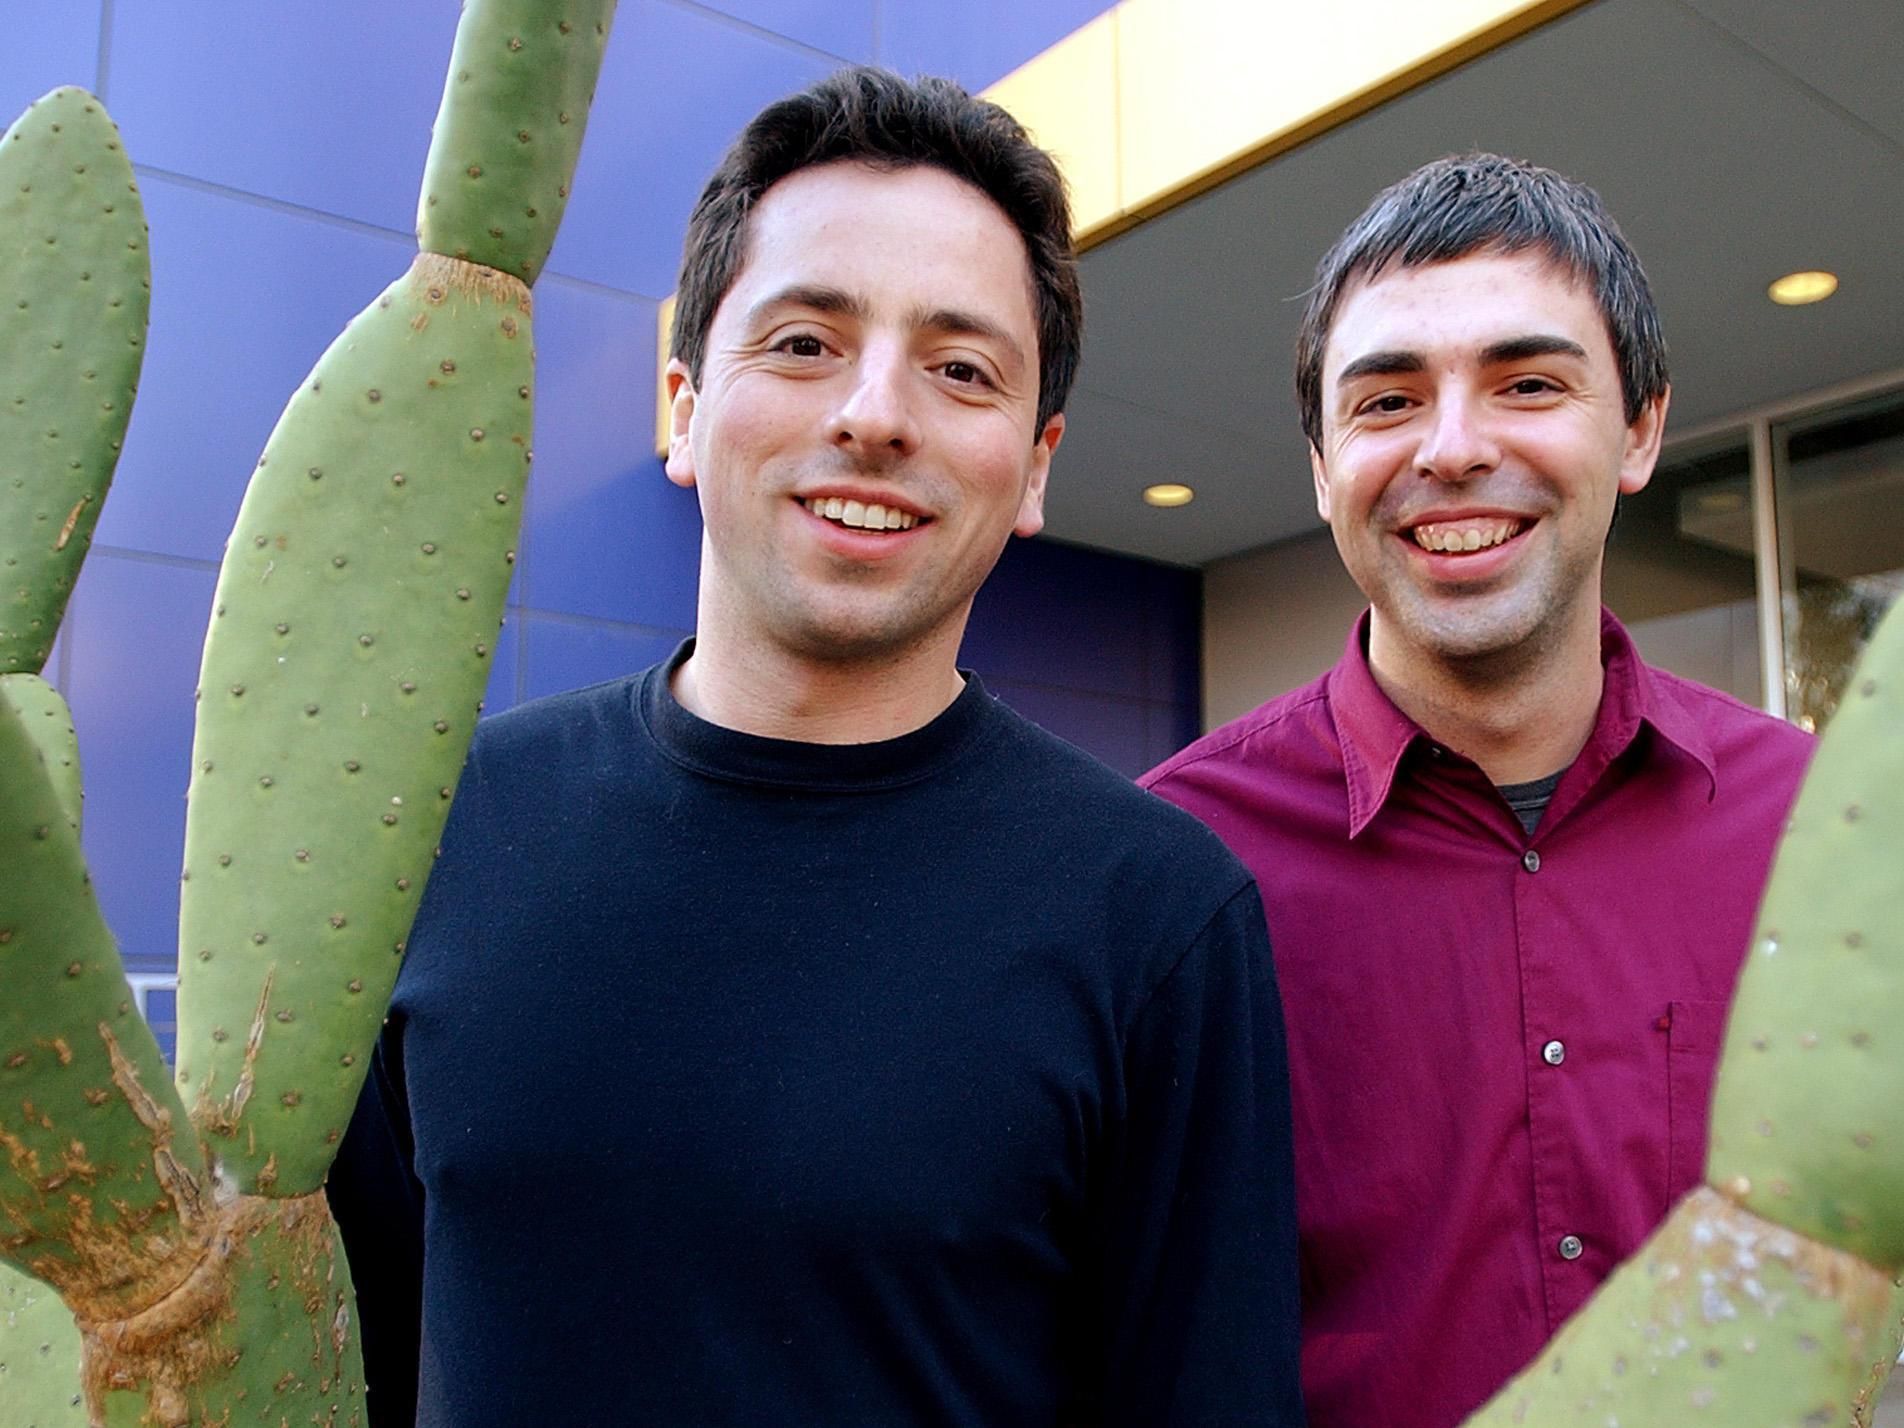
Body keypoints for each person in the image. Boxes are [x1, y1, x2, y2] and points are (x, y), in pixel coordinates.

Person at [328, 67, 1303, 1428]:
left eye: (962, 370)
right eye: (803, 344)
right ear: (681, 407)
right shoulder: (444, 828)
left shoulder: (1157, 918)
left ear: (1034, 465)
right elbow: (337, 1354)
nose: (875, 414)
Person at [1142, 153, 1812, 1428]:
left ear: (1639, 429)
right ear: (1321, 463)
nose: (1451, 449)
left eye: (1527, 383)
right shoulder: (1171, 872)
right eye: (1386, 400)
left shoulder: (1817, 834)